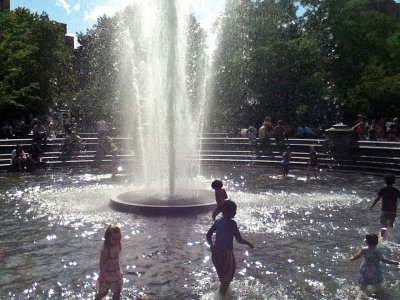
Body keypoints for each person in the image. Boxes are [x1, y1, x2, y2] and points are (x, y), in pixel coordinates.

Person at [206, 200, 254, 295]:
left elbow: (208, 235)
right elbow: (239, 239)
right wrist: (249, 243)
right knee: (228, 277)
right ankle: (221, 296)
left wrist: (211, 246)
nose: (235, 213)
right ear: (231, 212)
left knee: (222, 277)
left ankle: (222, 293)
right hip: (226, 254)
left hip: (215, 253)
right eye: (234, 211)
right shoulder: (232, 223)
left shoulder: (218, 221)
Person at [95, 225, 123, 300]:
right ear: (108, 238)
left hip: (116, 272)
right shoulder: (106, 249)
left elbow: (117, 259)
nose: (116, 241)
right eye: (113, 239)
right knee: (104, 292)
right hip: (107, 273)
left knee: (117, 291)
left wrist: (120, 270)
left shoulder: (118, 245)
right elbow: (101, 264)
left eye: (118, 239)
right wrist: (105, 275)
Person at [370, 174, 400, 239]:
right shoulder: (396, 191)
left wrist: (372, 206)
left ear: (385, 181)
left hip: (385, 211)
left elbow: (377, 198)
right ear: (394, 181)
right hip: (393, 212)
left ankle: (383, 237)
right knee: (390, 224)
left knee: (384, 225)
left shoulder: (383, 189)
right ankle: (391, 237)